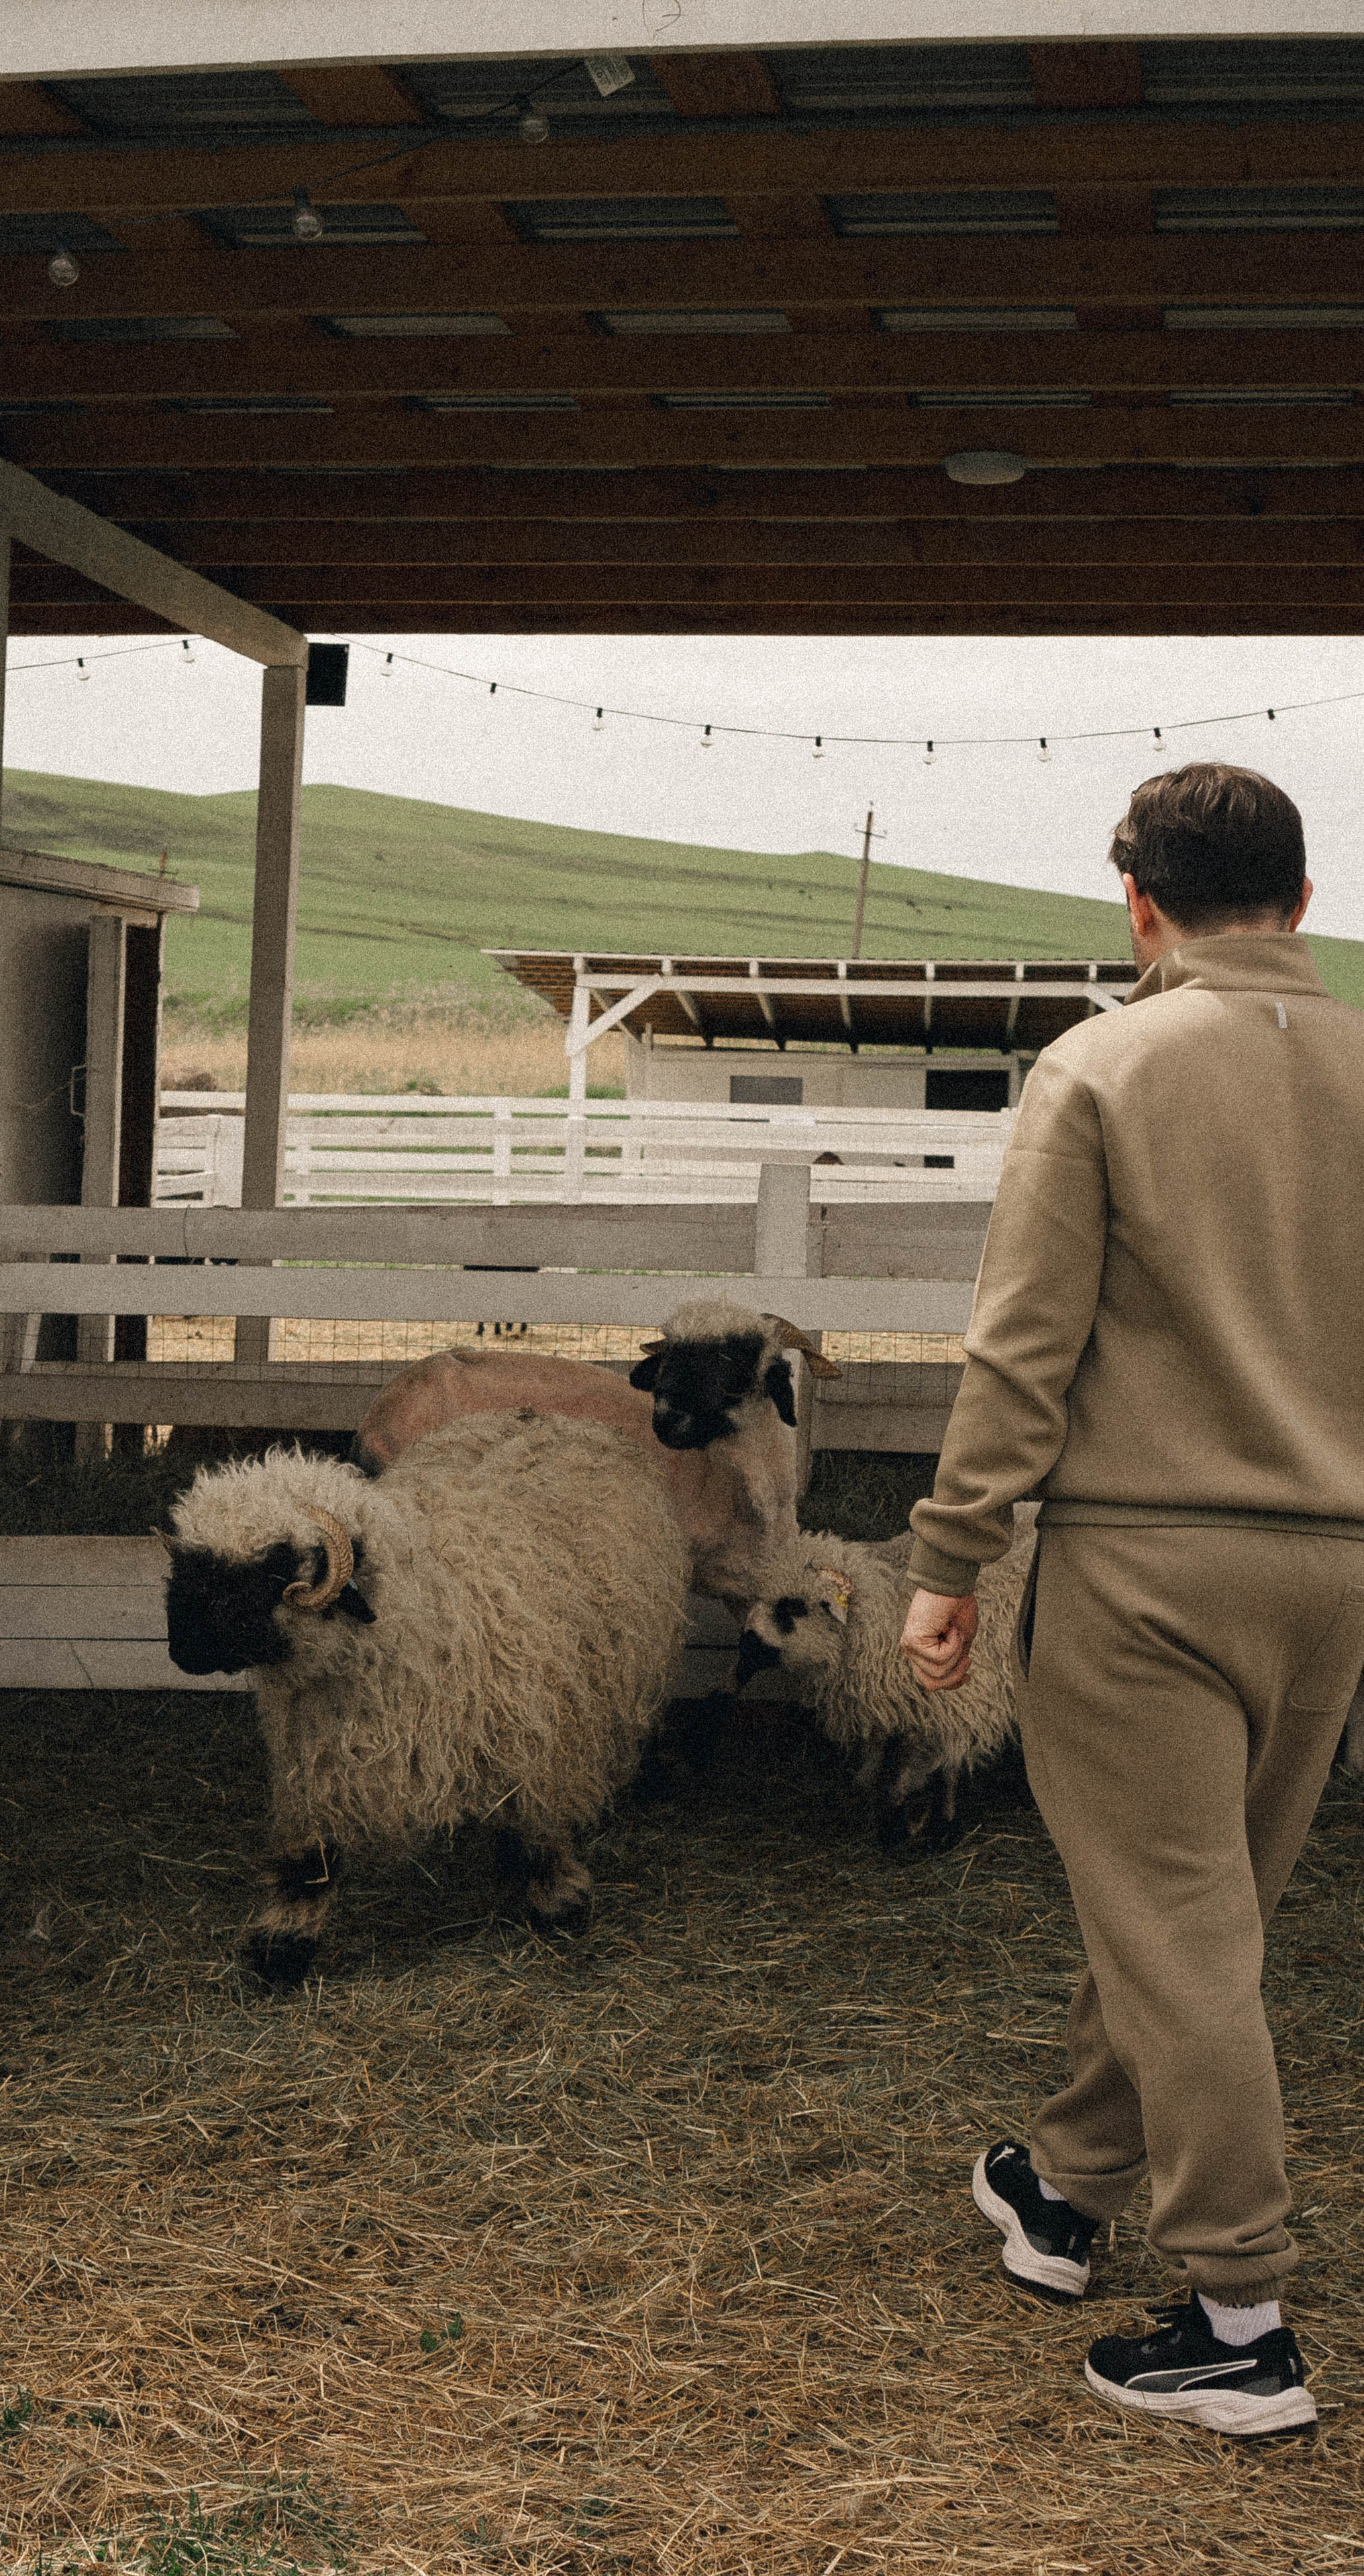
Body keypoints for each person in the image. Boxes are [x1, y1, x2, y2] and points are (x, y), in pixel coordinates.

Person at [898, 762, 1364, 2439]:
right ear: (1299, 902)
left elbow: (1023, 1347)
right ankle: (1067, 2188)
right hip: (1328, 1575)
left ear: (1137, 903)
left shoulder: (1097, 1064)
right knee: (1195, 1914)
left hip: (1143, 1573)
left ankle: (1239, 2321)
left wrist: (949, 1558)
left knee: (1175, 1928)